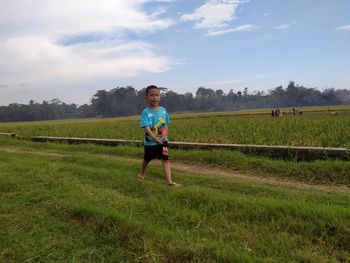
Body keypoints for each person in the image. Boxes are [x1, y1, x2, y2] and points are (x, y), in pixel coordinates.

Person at [138, 85, 181, 187]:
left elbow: (165, 124)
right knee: (147, 159)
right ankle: (142, 173)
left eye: (157, 95)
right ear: (147, 97)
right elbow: (147, 127)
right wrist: (154, 138)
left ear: (160, 97)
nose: (154, 97)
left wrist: (164, 137)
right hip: (150, 142)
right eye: (152, 95)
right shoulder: (145, 112)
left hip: (163, 141)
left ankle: (169, 182)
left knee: (165, 159)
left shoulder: (163, 110)